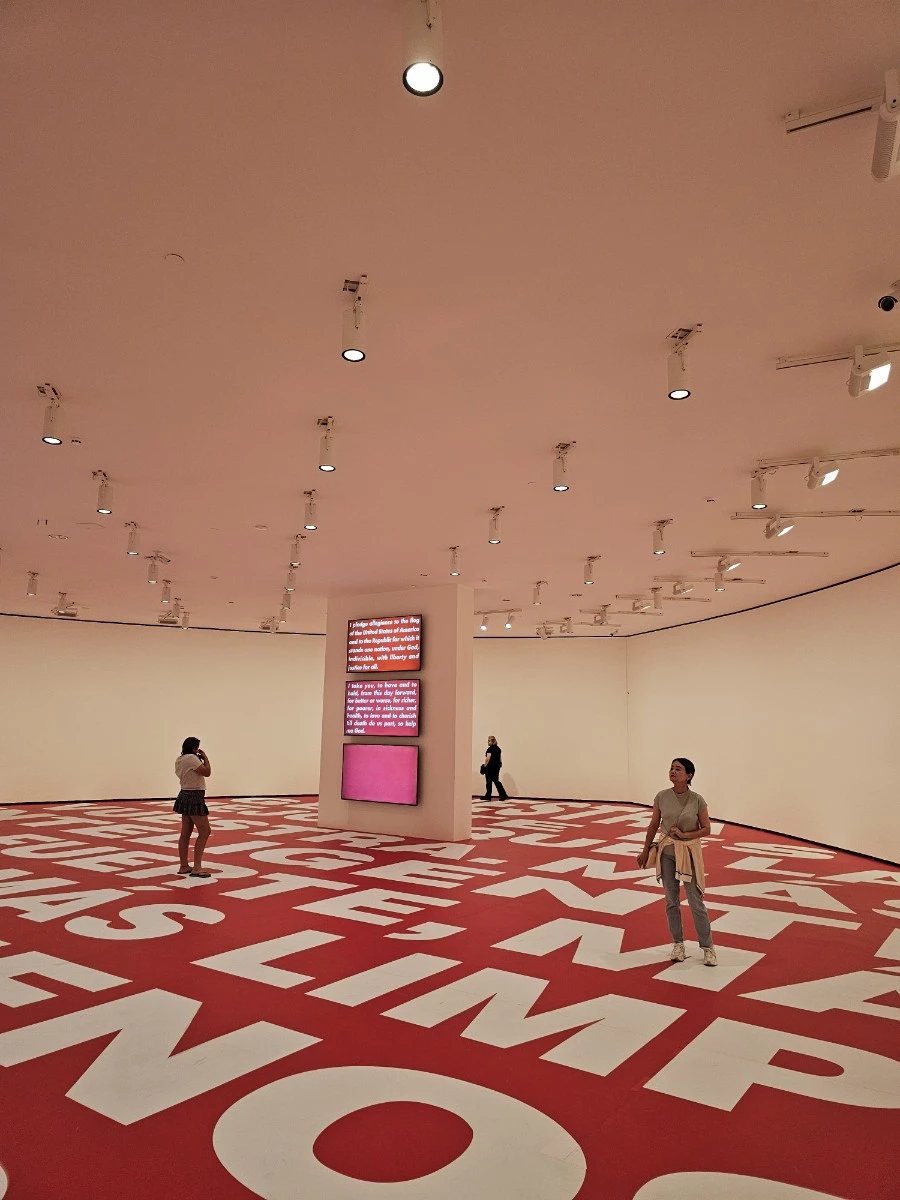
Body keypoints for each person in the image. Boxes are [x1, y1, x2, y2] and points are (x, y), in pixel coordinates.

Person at [636, 757, 717, 966]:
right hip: (667, 854)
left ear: (689, 776)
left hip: (688, 854)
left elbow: (707, 829)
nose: (673, 771)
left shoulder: (697, 800)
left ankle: (708, 947)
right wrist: (645, 850)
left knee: (695, 901)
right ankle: (678, 944)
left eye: (678, 769)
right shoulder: (661, 796)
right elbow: (654, 824)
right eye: (671, 768)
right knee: (671, 900)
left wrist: (684, 835)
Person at [174, 736, 213, 878]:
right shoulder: (192, 759)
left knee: (185, 832)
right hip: (194, 796)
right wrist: (205, 757)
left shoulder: (180, 759)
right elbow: (207, 772)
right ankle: (197, 867)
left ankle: (184, 865)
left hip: (184, 794)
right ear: (194, 748)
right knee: (205, 831)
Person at [482, 735, 508, 801]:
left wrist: (484, 766)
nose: (488, 742)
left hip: (490, 767)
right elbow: (500, 758)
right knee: (496, 781)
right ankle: (503, 795)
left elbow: (488, 758)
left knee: (489, 782)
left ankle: (488, 796)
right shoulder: (498, 749)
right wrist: (500, 765)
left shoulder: (490, 749)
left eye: (489, 741)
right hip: (496, 767)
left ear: (492, 741)